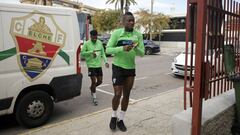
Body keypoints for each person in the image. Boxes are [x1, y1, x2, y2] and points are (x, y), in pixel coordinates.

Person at [106, 12, 145, 132]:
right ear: (123, 22)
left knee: (127, 94)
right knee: (118, 94)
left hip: (130, 68)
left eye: (133, 20)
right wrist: (122, 48)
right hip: (118, 67)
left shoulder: (138, 35)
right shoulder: (117, 33)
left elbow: (142, 53)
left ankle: (121, 119)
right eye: (129, 20)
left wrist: (135, 47)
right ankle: (113, 116)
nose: (132, 22)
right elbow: (107, 49)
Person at [81, 30, 109, 106]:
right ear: (90, 36)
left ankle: (92, 88)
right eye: (93, 37)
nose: (95, 38)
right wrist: (90, 53)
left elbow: (103, 53)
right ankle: (94, 97)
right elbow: (82, 54)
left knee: (100, 81)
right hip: (91, 66)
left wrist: (106, 62)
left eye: (96, 37)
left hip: (98, 65)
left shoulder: (99, 43)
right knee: (93, 81)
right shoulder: (86, 44)